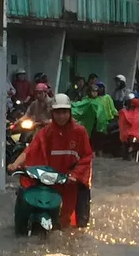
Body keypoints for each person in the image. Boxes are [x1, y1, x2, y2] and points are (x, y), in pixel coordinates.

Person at [8, 94, 94, 228]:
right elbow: (30, 150)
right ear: (52, 113)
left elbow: (87, 156)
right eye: (58, 113)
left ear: (70, 113)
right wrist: (15, 164)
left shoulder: (79, 132)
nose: (61, 116)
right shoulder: (46, 132)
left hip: (73, 181)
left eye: (64, 112)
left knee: (77, 223)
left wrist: (74, 175)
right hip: (52, 180)